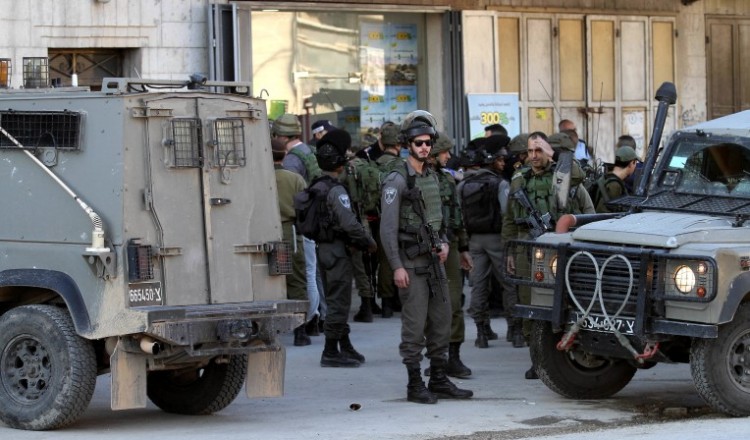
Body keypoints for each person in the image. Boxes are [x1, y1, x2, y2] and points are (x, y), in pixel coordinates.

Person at [380, 110, 473, 404]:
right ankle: (414, 383)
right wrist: (396, 266)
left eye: (428, 143)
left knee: (442, 321)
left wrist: (444, 242)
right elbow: (387, 228)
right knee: (414, 326)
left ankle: (439, 378)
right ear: (408, 144)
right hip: (410, 261)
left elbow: (437, 219)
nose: (424, 147)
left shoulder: (432, 177)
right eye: (418, 143)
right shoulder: (397, 180)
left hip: (434, 260)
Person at [503, 131, 595, 379]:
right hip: (526, 247)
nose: (534, 156)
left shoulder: (565, 178)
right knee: (528, 303)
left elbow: (587, 208)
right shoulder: (519, 181)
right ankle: (536, 359)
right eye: (530, 151)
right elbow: (509, 219)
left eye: (539, 150)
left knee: (562, 302)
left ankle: (562, 355)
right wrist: (509, 250)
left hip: (560, 249)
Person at [312, 129, 377, 368]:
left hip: (323, 249)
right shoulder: (336, 190)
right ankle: (330, 351)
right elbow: (349, 223)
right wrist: (367, 241)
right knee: (339, 301)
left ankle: (345, 344)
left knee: (334, 297)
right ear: (339, 163)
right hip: (338, 251)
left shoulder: (316, 185)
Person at [458, 135, 523, 349]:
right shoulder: (501, 184)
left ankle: (481, 331)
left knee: (478, 285)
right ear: (491, 161)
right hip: (498, 239)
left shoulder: (463, 185)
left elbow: (459, 216)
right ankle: (515, 330)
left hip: (474, 241)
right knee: (509, 283)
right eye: (500, 159)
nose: (503, 163)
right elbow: (508, 214)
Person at [273, 113, 325, 335]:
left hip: (295, 228)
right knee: (310, 274)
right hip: (308, 223)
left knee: (302, 275)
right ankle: (314, 319)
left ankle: (309, 319)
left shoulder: (291, 162)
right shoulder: (308, 152)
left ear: (282, 136)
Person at [427, 131, 473, 378]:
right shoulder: (415, 179)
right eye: (444, 152)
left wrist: (464, 249)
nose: (448, 156)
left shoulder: (447, 180)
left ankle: (453, 356)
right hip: (425, 248)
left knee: (454, 303)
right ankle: (436, 357)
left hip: (451, 246)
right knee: (429, 305)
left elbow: (457, 216)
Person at [272, 138, 312, 346]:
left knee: (265, 279)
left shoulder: (258, 179)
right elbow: (305, 208)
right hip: (290, 232)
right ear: (285, 155)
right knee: (296, 279)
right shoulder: (295, 179)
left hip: (263, 233)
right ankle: (300, 331)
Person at [374, 122, 404, 318]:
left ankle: (386, 303)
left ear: (382, 144)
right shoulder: (403, 166)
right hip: (401, 218)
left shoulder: (374, 165)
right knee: (400, 258)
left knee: (385, 261)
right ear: (399, 145)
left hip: (377, 219)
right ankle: (398, 299)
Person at [591, 146, 639, 213]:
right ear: (631, 163)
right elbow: (603, 212)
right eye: (635, 163)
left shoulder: (606, 178)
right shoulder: (614, 185)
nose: (635, 166)